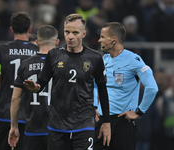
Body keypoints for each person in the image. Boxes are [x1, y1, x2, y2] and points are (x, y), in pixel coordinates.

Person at [23, 13, 111, 150]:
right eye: (67, 32)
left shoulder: (95, 58)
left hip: (84, 123)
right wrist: (35, 87)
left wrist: (107, 122)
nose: (70, 36)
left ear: (84, 34)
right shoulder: (54, 55)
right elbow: (41, 82)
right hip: (57, 124)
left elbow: (103, 90)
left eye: (75, 32)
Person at [0, 12, 39, 150]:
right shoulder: (38, 52)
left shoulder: (2, 50)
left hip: (5, 116)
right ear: (30, 29)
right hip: (30, 118)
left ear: (11, 30)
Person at [93, 22, 158, 150]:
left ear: (114, 40)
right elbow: (94, 85)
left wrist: (139, 112)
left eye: (102, 36)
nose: (99, 40)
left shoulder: (134, 60)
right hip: (101, 120)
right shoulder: (103, 60)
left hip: (122, 124)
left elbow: (152, 88)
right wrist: (95, 105)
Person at [8, 25, 59, 150]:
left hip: (33, 127)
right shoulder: (62, 64)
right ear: (57, 42)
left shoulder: (25, 64)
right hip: (58, 128)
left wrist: (13, 127)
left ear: (37, 42)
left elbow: (15, 99)